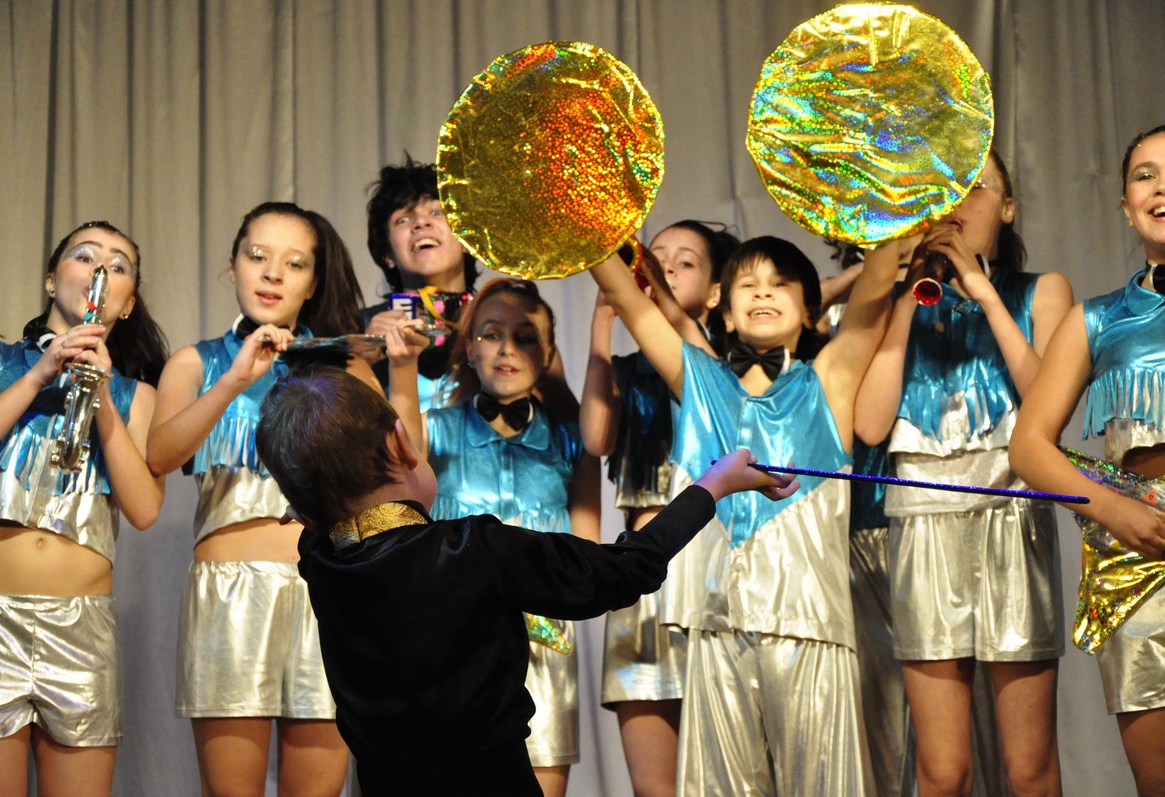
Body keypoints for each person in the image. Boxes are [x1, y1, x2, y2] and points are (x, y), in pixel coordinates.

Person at [253, 363, 797, 797]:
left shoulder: (324, 565)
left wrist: (315, 512)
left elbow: (322, 533)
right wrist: (711, 486)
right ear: (401, 442)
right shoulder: (473, 549)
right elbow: (623, 570)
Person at [590, 229, 900, 794]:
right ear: (726, 313)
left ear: (811, 311)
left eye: (781, 283)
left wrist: (890, 209)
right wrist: (579, 215)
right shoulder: (699, 380)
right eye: (748, 283)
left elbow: (877, 286)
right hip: (717, 629)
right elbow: (628, 297)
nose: (763, 292)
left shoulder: (829, 380)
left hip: (811, 630)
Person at [855, 150, 1074, 796]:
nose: (956, 204)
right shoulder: (895, 303)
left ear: (1007, 207)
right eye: (943, 189)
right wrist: (905, 299)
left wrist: (983, 291)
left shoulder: (1042, 290)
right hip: (922, 523)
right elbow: (870, 425)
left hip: (1012, 514)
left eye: (975, 187)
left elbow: (1048, 404)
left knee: (1028, 768)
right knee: (943, 770)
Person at [147, 202, 375, 797]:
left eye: (294, 263)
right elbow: (160, 455)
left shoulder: (345, 367)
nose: (273, 273)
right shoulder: (196, 361)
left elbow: (405, 466)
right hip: (228, 591)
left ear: (313, 282)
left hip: (327, 589)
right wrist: (234, 380)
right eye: (258, 256)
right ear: (233, 265)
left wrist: (399, 369)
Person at [0, 220, 168, 796]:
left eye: (118, 266)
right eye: (85, 256)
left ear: (126, 304)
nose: (100, 270)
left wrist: (102, 394)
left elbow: (144, 510)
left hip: (81, 625)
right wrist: (38, 375)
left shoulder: (138, 395)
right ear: (52, 280)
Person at [387, 277, 599, 797]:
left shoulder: (572, 440)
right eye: (491, 334)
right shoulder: (437, 428)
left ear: (548, 353)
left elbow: (587, 555)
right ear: (468, 347)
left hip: (545, 646)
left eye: (526, 337)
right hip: (452, 642)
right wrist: (402, 365)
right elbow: (399, 458)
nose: (507, 349)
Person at [1009, 124, 1165, 796]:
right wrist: (1112, 510)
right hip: (1143, 554)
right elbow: (1028, 446)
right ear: (1126, 207)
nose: (1161, 187)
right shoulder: (1096, 319)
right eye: (1145, 175)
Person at [581, 220, 737, 797]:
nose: (665, 266)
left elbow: (708, 386)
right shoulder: (625, 371)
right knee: (655, 786)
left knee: (726, 773)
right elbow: (596, 438)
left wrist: (650, 291)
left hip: (712, 580)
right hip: (643, 582)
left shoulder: (724, 367)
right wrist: (603, 317)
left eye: (684, 261)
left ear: (717, 291)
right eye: (657, 256)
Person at [360, 154, 480, 408]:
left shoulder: (506, 322)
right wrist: (362, 360)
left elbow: (558, 419)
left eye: (437, 212)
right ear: (388, 254)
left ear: (466, 238)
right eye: (403, 220)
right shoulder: (358, 329)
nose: (421, 223)